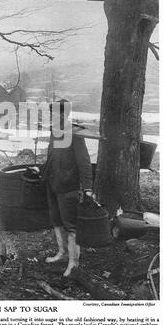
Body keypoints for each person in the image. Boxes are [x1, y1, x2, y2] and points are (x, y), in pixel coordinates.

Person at [42, 99, 93, 277]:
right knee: (56, 220)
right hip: (52, 183)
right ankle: (62, 253)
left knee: (70, 225)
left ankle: (73, 262)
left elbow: (85, 163)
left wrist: (87, 188)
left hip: (68, 186)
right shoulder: (54, 131)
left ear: (64, 114)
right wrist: (42, 171)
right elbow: (51, 155)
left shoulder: (75, 133)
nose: (52, 117)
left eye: (55, 114)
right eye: (52, 114)